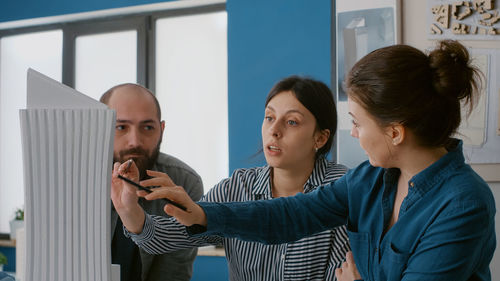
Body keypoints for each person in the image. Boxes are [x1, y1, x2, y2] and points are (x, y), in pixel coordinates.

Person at [127, 40, 497, 281]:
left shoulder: (463, 203)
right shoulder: (370, 180)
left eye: (357, 123)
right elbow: (290, 215)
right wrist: (206, 214)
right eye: (269, 117)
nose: (352, 134)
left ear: (395, 133)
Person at [111, 76, 351, 280]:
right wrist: (129, 209)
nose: (274, 130)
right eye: (269, 117)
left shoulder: (343, 190)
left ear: (320, 138)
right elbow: (163, 239)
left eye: (291, 122)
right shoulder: (237, 188)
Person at [101, 84, 204, 281]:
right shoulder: (72, 180)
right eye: (121, 127)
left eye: (147, 127)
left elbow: (173, 274)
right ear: (100, 128)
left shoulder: (183, 183)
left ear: (161, 130)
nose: (135, 141)